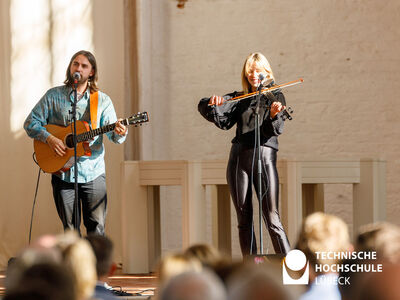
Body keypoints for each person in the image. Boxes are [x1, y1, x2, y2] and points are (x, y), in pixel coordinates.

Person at [24, 50, 127, 236]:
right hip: (63, 173)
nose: (78, 68)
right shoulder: (53, 96)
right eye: (75, 64)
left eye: (84, 66)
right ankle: (74, 265)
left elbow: (114, 137)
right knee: (70, 232)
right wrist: (50, 138)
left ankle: (96, 266)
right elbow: (30, 123)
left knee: (96, 229)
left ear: (92, 72)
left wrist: (120, 131)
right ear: (70, 67)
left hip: (93, 172)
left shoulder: (102, 101)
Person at [198, 52, 290, 256]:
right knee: (243, 219)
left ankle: (293, 272)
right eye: (249, 70)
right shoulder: (239, 98)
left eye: (257, 70)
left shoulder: (275, 96)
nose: (253, 74)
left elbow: (274, 130)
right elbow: (211, 110)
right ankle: (251, 267)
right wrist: (213, 103)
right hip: (239, 159)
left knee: (272, 217)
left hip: (265, 159)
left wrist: (274, 115)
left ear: (266, 72)